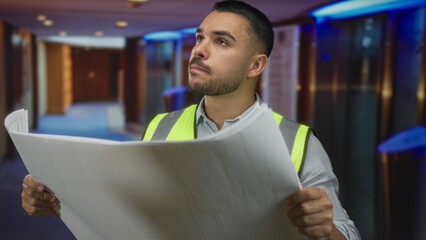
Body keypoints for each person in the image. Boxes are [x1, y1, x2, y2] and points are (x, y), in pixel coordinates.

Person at [21, 1, 360, 239]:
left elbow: (345, 234)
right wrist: (57, 203)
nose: (198, 49)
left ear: (255, 66)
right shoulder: (159, 126)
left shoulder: (299, 142)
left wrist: (325, 229)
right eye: (200, 37)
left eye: (221, 41)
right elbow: (128, 211)